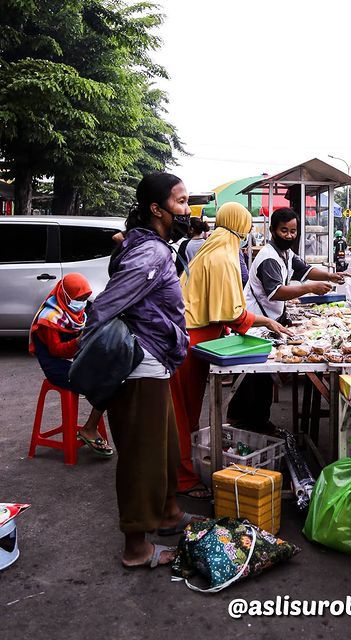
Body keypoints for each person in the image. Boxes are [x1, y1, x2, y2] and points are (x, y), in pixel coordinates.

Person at [87, 172, 194, 568]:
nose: (187, 210)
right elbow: (107, 304)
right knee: (142, 457)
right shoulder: (151, 253)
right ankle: (136, 548)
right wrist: (90, 350)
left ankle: (168, 514)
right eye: (181, 202)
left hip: (157, 361)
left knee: (166, 448)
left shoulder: (151, 245)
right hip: (140, 365)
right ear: (157, 209)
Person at [170, 202, 290, 499]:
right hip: (192, 341)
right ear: (241, 224)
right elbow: (233, 314)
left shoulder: (211, 248)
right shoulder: (225, 255)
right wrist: (267, 322)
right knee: (184, 414)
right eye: (248, 225)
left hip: (190, 337)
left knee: (184, 412)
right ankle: (183, 479)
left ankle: (181, 470)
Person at [227, 207, 345, 430]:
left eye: (293, 231)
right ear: (272, 230)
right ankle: (244, 425)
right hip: (255, 326)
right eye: (284, 231)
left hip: (268, 324)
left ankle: (257, 423)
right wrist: (308, 288)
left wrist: (330, 275)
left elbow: (305, 269)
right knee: (252, 381)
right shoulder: (269, 257)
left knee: (261, 381)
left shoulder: (286, 254)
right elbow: (276, 292)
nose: (290, 236)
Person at [29, 273, 113, 457]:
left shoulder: (81, 310)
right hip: (57, 366)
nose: (82, 302)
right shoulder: (49, 318)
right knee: (105, 384)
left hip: (77, 358)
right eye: (78, 299)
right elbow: (57, 351)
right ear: (66, 296)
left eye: (85, 298)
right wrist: (79, 341)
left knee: (115, 376)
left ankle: (90, 427)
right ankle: (89, 428)